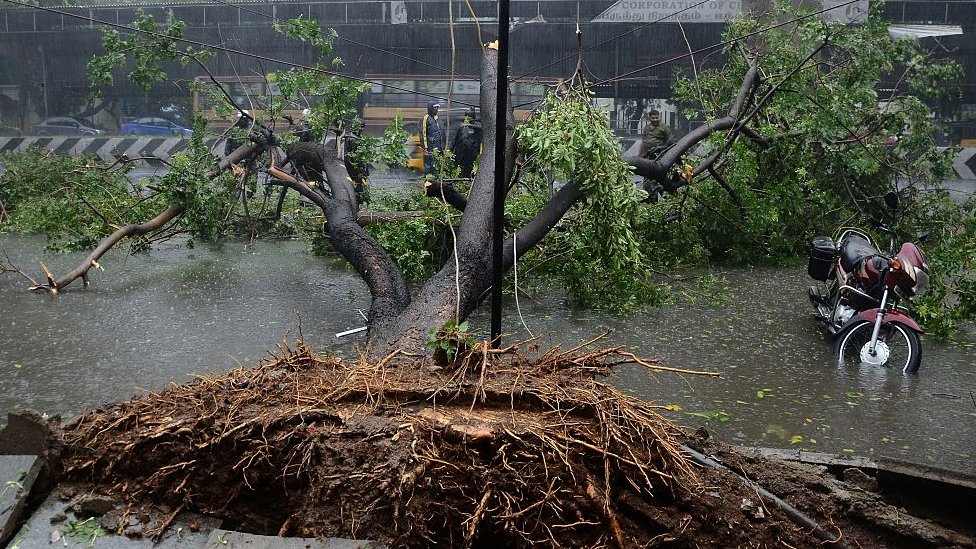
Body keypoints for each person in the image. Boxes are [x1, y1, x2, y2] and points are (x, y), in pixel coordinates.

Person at [449, 107, 483, 178]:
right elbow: (455, 139)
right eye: (467, 116)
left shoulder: (477, 126)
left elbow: (481, 128)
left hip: (472, 154)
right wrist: (450, 150)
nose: (467, 117)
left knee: (470, 171)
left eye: (469, 116)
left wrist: (469, 125)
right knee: (461, 171)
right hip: (462, 154)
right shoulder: (462, 127)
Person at [420, 101, 445, 178]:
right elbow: (423, 134)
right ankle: (427, 184)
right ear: (430, 108)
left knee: (438, 168)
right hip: (430, 149)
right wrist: (425, 148)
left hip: (439, 149)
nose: (437, 109)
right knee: (429, 168)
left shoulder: (438, 119)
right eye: (435, 108)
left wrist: (443, 148)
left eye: (437, 108)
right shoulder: (426, 118)